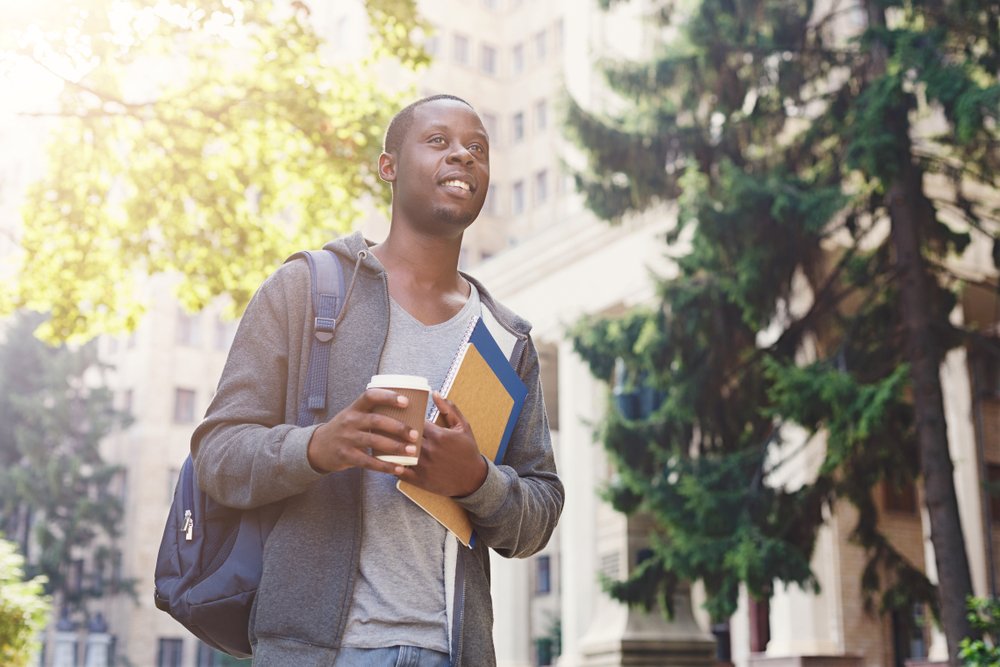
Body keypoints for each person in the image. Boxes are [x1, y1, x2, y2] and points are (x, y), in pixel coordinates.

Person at [191, 94, 564, 666]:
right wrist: (318, 446)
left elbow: (540, 513)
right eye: (439, 141)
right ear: (388, 166)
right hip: (319, 654)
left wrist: (476, 480)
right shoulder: (305, 292)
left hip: (453, 655)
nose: (463, 155)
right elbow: (218, 456)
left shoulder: (506, 339)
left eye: (478, 148)